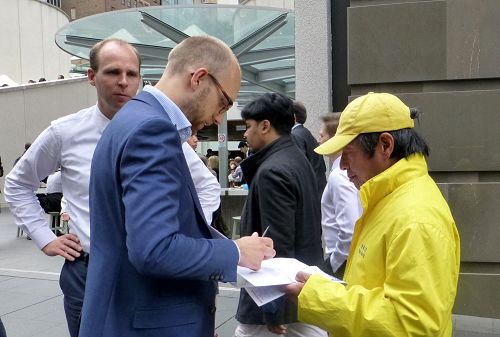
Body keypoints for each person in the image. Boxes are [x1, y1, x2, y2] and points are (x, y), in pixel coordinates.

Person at [79, 35, 275, 337]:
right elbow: (154, 249)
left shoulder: (133, 118)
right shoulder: (152, 129)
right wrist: (235, 252)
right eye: (223, 102)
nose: (218, 117)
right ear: (199, 78)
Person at [285, 92, 461, 337]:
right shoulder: (388, 199)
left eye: (348, 153)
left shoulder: (415, 218)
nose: (343, 166)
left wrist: (321, 297)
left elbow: (412, 325)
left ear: (386, 146)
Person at [4, 39, 142, 337]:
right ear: (92, 77)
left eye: (132, 74)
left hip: (145, 270)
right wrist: (44, 237)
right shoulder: (65, 131)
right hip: (87, 270)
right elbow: (17, 183)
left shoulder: (156, 132)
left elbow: (204, 189)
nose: (123, 82)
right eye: (112, 72)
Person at [234, 93, 326, 337]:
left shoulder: (272, 170)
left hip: (272, 296)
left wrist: (273, 309)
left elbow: (277, 242)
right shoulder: (297, 159)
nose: (245, 134)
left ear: (265, 126)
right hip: (300, 287)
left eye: (248, 126)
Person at [318, 113, 361, 278]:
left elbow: (349, 228)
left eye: (322, 135)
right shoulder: (343, 173)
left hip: (343, 261)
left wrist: (333, 263)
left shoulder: (339, 176)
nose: (318, 139)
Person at [291, 101, 327, 198]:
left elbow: (299, 168)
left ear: (293, 117)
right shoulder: (306, 133)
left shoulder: (295, 136)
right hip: (318, 190)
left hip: (310, 194)